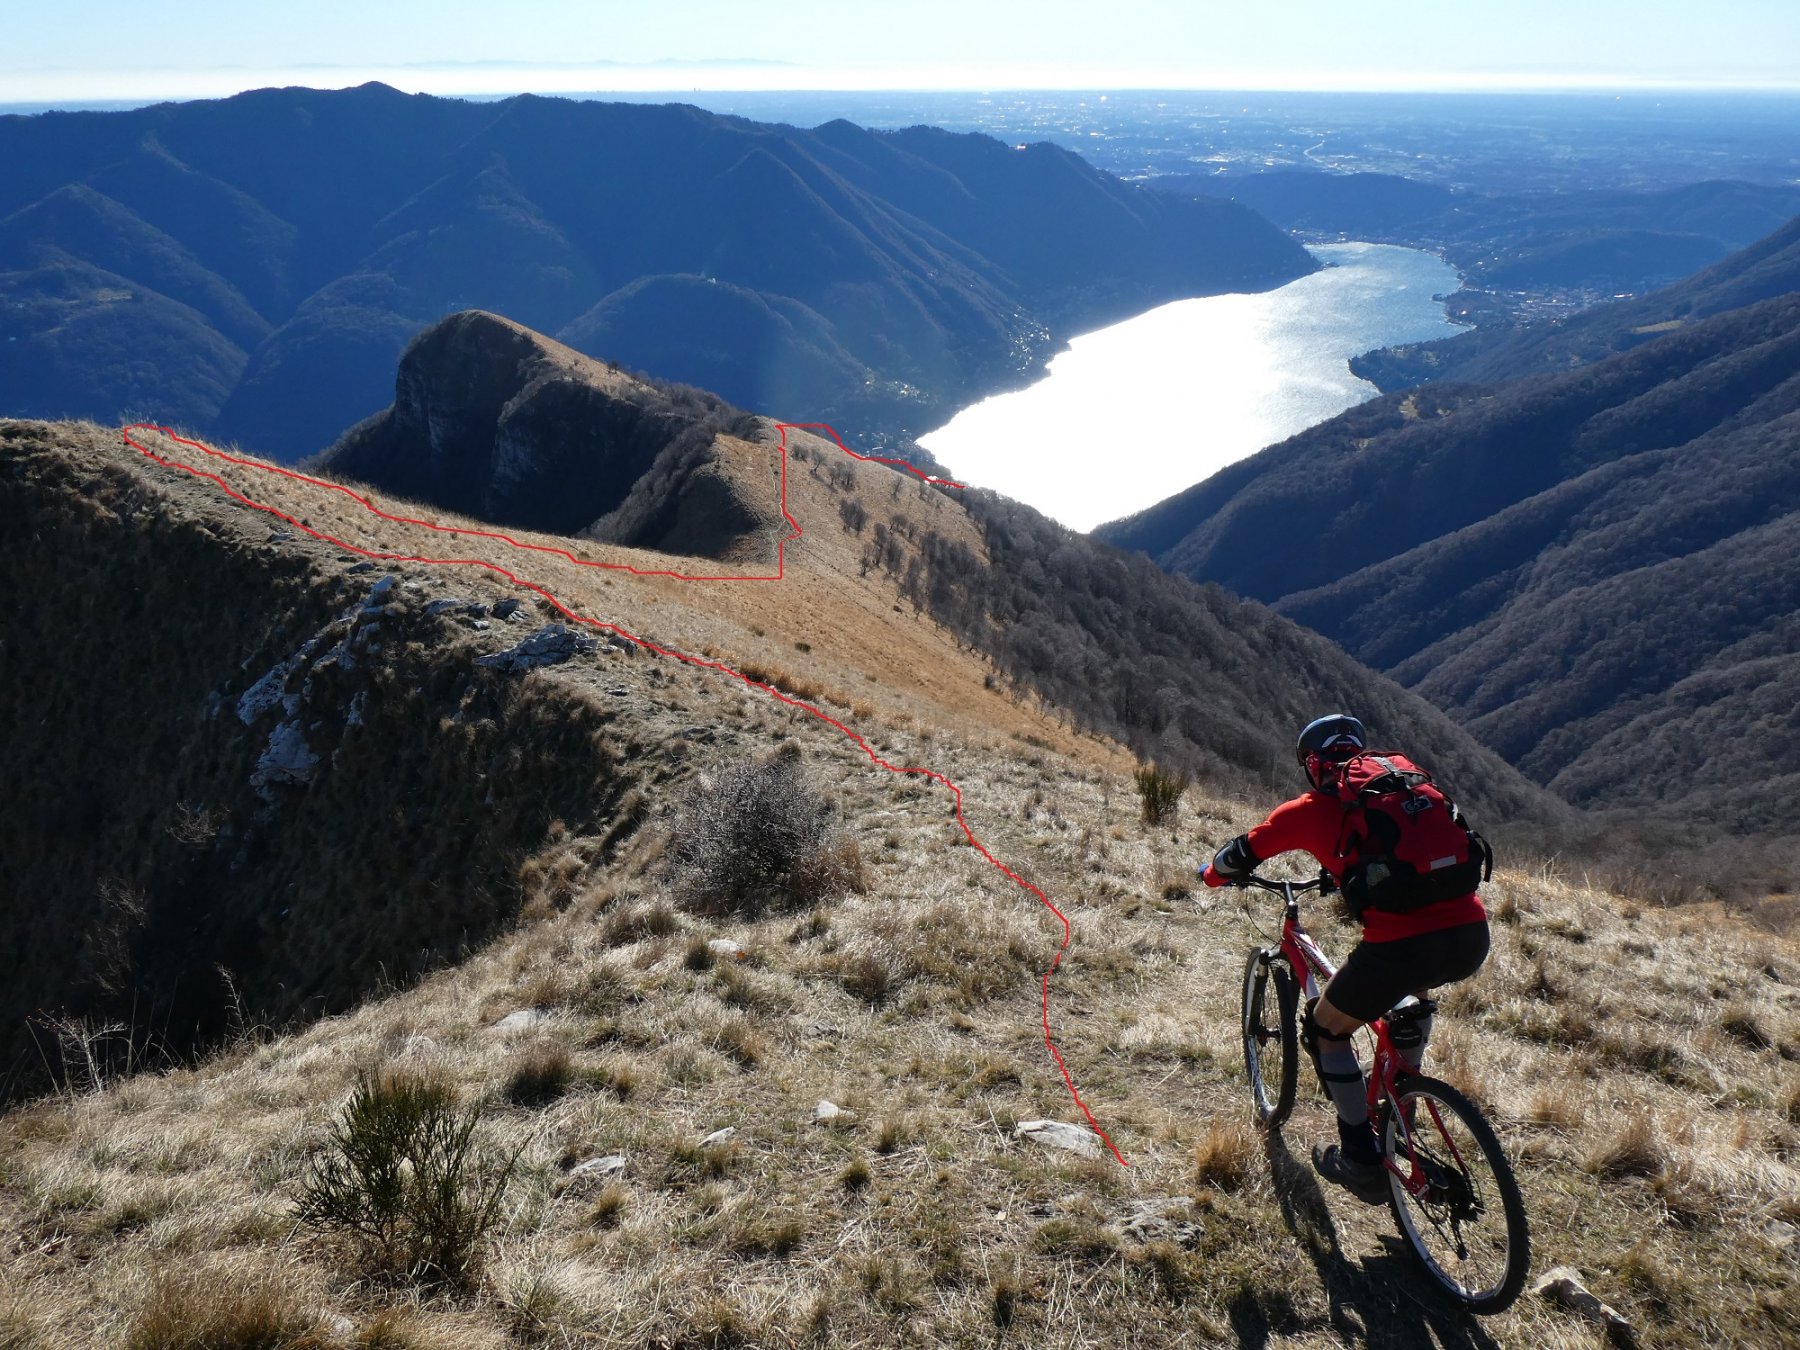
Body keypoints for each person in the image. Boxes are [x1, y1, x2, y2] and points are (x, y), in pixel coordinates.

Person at [1200, 714, 1491, 1200]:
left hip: (1400, 948)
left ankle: (1360, 1158)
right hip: (1470, 937)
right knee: (1410, 993)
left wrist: (1209, 874)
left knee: (1325, 1030)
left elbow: (1240, 854)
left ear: (1312, 766)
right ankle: (1402, 1099)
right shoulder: (1407, 790)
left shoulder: (1308, 810)